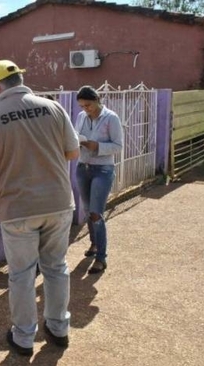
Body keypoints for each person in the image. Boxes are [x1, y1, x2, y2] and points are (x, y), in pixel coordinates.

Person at [0, 60, 80, 357]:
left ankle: (24, 337)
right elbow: (72, 151)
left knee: (22, 275)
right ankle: (59, 329)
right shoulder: (54, 108)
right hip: (58, 202)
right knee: (56, 267)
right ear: (19, 80)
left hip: (17, 207)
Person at [74, 86, 124, 274]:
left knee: (96, 213)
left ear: (97, 100)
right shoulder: (81, 118)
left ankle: (101, 258)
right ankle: (94, 244)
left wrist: (97, 146)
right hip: (83, 167)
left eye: (88, 105)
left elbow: (118, 146)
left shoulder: (111, 118)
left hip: (103, 169)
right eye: (82, 106)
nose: (86, 109)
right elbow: (75, 136)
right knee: (88, 211)